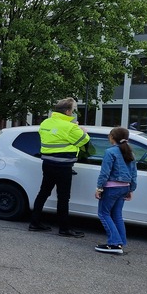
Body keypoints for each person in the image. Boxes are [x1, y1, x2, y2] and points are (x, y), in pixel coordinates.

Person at [29, 98, 90, 237]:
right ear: (68, 111)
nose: (73, 113)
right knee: (63, 198)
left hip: (48, 164)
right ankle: (64, 228)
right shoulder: (70, 127)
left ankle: (34, 223)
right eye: (72, 110)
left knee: (43, 193)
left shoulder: (45, 122)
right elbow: (83, 140)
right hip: (63, 166)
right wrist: (82, 130)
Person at [94, 127, 138, 254]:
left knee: (103, 213)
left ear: (112, 137)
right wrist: (131, 189)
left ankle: (113, 244)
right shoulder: (130, 153)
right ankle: (120, 242)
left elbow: (105, 173)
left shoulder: (110, 152)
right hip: (124, 187)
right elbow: (133, 174)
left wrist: (99, 188)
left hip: (111, 188)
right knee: (117, 215)